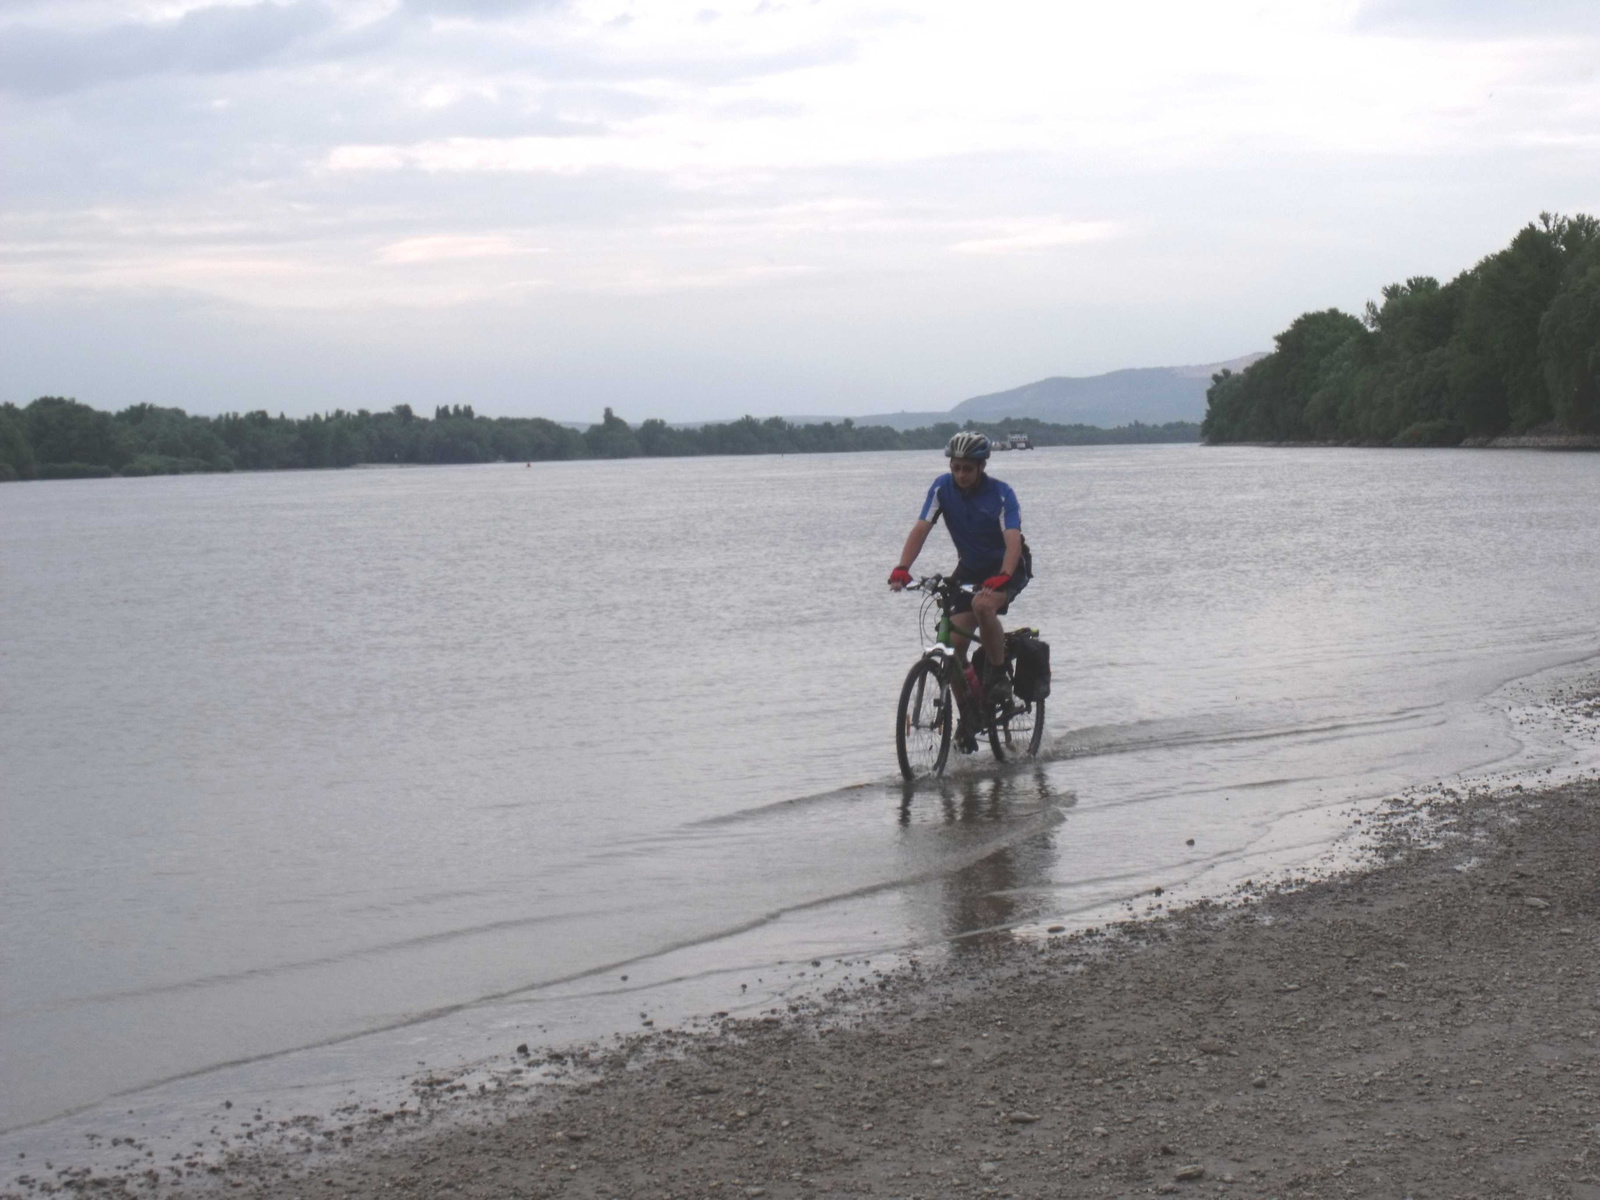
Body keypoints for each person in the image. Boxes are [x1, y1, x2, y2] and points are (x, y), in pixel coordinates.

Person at [888, 431, 1031, 706]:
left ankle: (999, 673)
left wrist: (1003, 575)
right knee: (951, 649)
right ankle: (969, 717)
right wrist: (902, 567)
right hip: (970, 568)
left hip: (1009, 567)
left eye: (967, 469)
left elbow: (1012, 538)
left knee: (982, 606)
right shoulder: (942, 488)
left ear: (981, 467)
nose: (961, 474)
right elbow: (922, 527)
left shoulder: (1002, 494)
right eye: (956, 468)